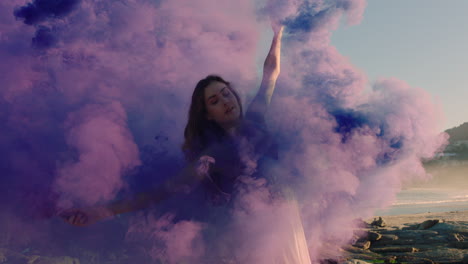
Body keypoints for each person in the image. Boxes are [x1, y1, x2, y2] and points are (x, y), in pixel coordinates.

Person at [61, 24, 311, 263]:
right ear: (207, 115)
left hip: (289, 224)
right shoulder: (213, 154)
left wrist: (278, 33)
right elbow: (162, 192)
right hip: (258, 237)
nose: (225, 101)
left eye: (225, 93)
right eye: (214, 100)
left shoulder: (256, 120)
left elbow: (270, 75)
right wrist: (102, 211)